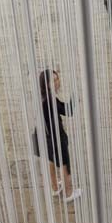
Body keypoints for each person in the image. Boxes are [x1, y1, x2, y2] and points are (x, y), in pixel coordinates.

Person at [40, 69, 81, 202]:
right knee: (64, 163)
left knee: (51, 159)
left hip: (47, 136)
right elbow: (68, 110)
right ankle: (68, 193)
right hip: (56, 136)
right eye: (54, 80)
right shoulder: (50, 100)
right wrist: (75, 96)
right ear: (47, 84)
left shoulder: (43, 97)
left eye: (57, 78)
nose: (58, 82)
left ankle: (54, 187)